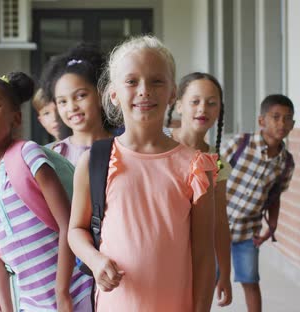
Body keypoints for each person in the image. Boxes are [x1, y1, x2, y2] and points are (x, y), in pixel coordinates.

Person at [68, 36, 218, 312]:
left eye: (157, 81)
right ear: (113, 94)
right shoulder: (95, 161)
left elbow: (205, 255)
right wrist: (95, 260)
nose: (144, 90)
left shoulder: (196, 167)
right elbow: (75, 230)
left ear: (173, 92)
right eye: (131, 81)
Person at [0, 72, 93, 312]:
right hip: (30, 303)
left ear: (16, 117)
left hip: (75, 292)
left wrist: (62, 295)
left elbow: (66, 225)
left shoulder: (28, 154)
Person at [221, 94, 296, 312]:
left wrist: (271, 227)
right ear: (261, 121)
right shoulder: (239, 144)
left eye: (287, 118)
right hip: (216, 227)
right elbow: (211, 176)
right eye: (275, 117)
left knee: (250, 281)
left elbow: (275, 197)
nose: (282, 123)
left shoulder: (286, 163)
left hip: (248, 231)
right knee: (208, 280)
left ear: (293, 124)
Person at [165, 72, 232, 307]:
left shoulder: (218, 162)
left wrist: (224, 271)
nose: (203, 108)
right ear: (179, 105)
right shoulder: (156, 143)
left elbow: (220, 221)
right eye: (195, 101)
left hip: (198, 262)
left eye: (211, 103)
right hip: (158, 256)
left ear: (219, 110)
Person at [41, 43, 112, 166]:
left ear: (101, 95)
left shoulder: (125, 147)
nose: (72, 107)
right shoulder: (51, 155)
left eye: (80, 96)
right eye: (62, 101)